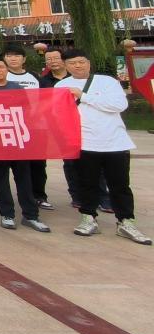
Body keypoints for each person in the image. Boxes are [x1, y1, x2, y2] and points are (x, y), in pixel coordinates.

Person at [55, 48, 150, 244]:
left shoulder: (107, 82)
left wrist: (83, 96)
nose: (78, 66)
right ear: (65, 65)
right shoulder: (61, 86)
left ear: (89, 63)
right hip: (84, 143)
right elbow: (58, 114)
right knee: (87, 183)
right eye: (72, 63)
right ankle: (88, 218)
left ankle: (126, 221)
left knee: (120, 184)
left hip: (115, 142)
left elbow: (119, 105)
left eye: (81, 61)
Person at [0, 56, 50, 232]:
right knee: (1, 178)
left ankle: (31, 215)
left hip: (17, 139)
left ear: (6, 69)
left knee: (24, 178)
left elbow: (26, 112)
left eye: (1, 67)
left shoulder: (16, 87)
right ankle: (7, 214)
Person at [41, 47, 111, 211]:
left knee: (96, 163)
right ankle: (77, 196)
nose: (52, 61)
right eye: (48, 59)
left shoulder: (85, 79)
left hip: (89, 127)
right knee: (71, 163)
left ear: (64, 60)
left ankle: (103, 197)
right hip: (63, 128)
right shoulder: (43, 81)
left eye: (56, 58)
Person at [2, 43, 51, 211]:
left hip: (36, 127)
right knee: (19, 167)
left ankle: (39, 196)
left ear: (24, 59)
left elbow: (47, 99)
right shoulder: (1, 76)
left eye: (16, 56)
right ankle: (24, 198)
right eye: (9, 56)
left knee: (38, 164)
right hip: (12, 127)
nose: (13, 59)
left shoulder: (35, 77)